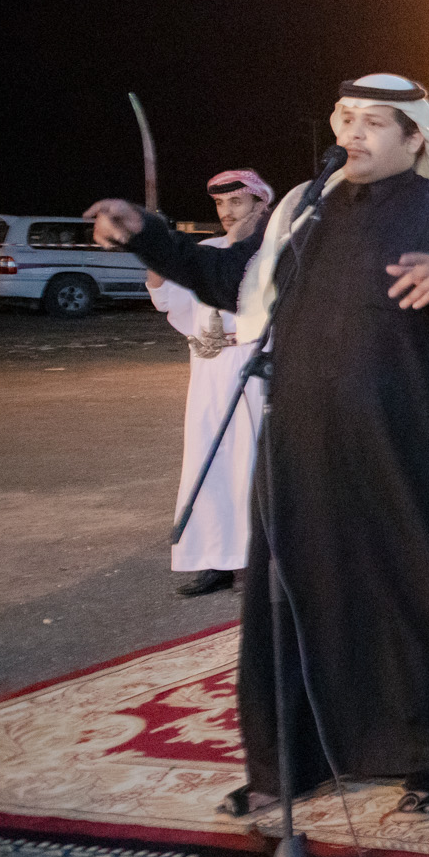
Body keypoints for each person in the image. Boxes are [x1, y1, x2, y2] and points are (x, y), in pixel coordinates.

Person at [85, 73, 429, 815]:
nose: (352, 133)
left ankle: (426, 758)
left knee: (406, 597)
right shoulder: (302, 207)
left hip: (415, 443)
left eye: (373, 122)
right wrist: (149, 235)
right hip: (305, 440)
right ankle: (294, 759)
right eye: (345, 118)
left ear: (414, 136)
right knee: (298, 594)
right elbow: (231, 279)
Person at [147, 170, 273, 597]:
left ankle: (256, 561)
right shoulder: (206, 251)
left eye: (237, 202)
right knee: (210, 462)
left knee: (251, 464)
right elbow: (167, 299)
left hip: (254, 369)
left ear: (260, 204)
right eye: (220, 204)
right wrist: (155, 249)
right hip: (209, 370)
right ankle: (216, 558)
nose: (226, 212)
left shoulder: (273, 253)